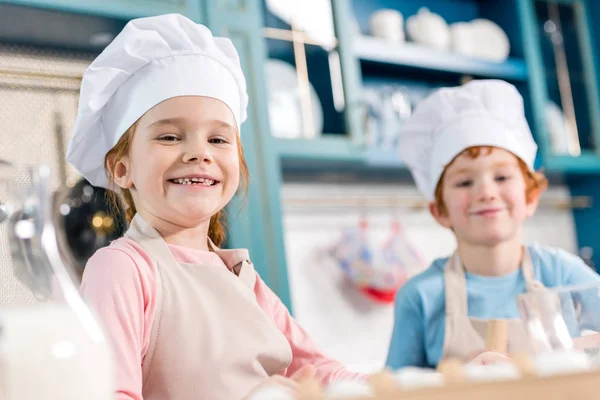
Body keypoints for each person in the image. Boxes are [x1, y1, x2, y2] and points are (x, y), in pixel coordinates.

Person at [66, 13, 362, 400]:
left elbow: (319, 371)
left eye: (219, 140)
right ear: (122, 169)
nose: (199, 153)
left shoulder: (242, 277)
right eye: (170, 136)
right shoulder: (123, 269)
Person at [385, 79, 600, 369]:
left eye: (501, 177)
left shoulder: (564, 274)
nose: (486, 192)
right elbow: (397, 391)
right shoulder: (420, 296)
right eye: (464, 182)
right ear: (440, 212)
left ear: (531, 197)